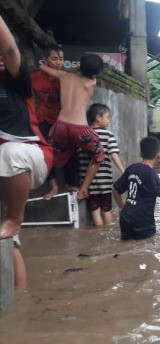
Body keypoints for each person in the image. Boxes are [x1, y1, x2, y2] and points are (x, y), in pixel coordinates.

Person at [0, 14, 53, 283]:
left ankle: (14, 217)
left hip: (30, 158)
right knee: (10, 244)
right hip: (5, 174)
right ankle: (21, 305)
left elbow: (9, 49)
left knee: (9, 153)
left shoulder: (18, 84)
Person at [40, 53, 105, 199]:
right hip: (80, 128)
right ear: (95, 73)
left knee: (50, 154)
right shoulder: (91, 83)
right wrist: (80, 69)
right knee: (99, 155)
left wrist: (75, 69)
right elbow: (92, 75)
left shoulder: (64, 76)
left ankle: (54, 187)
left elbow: (43, 67)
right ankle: (83, 189)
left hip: (60, 125)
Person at [32, 45, 79, 200]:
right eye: (54, 58)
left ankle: (70, 183)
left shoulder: (66, 77)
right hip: (44, 119)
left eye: (61, 59)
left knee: (72, 149)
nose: (59, 62)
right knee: (44, 151)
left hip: (64, 120)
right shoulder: (35, 77)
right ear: (45, 60)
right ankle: (53, 186)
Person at [79, 103, 125, 226]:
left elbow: (79, 157)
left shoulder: (84, 135)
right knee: (106, 210)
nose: (109, 120)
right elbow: (114, 155)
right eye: (107, 117)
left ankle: (99, 232)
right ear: (98, 118)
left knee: (95, 211)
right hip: (105, 183)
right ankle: (107, 234)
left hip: (89, 183)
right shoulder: (108, 135)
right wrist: (123, 171)